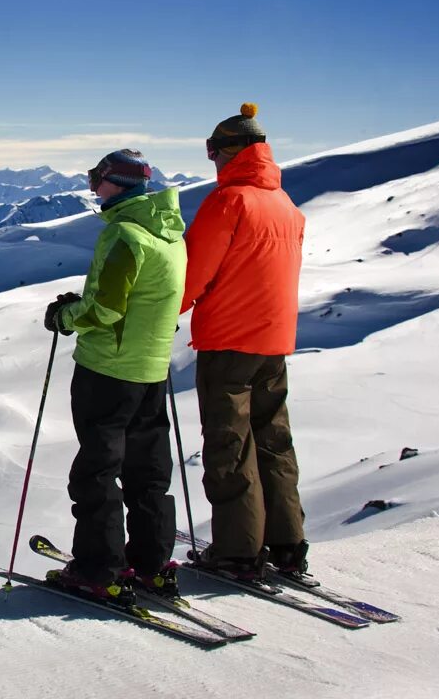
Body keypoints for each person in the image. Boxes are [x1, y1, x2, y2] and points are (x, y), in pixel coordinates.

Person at [42, 149, 187, 605]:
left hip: (107, 371)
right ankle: (152, 565)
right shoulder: (169, 235)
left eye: (95, 177)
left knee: (97, 472)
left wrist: (65, 316)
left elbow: (105, 309)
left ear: (116, 181)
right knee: (148, 471)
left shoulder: (124, 234)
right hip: (151, 370)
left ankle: (99, 569)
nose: (91, 187)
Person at [181, 103, 310, 578]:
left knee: (229, 445)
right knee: (274, 441)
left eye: (213, 151)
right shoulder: (286, 205)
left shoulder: (229, 201)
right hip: (273, 342)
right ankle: (288, 544)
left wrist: (166, 310)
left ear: (231, 152)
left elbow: (194, 274)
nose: (212, 161)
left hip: (228, 341)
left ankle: (238, 552)